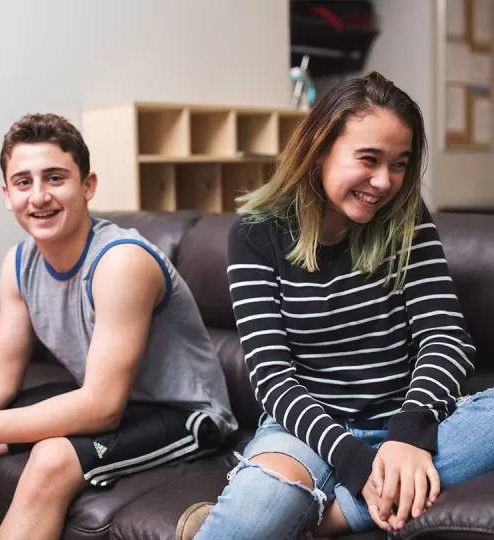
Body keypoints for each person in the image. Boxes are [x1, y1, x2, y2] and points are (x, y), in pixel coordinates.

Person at [0, 113, 237, 540]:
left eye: (55, 178)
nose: (38, 196)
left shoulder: (121, 261)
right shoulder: (18, 264)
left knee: (50, 458)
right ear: (6, 194)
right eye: (23, 182)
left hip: (185, 414)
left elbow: (102, 406)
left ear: (87, 186)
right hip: (108, 398)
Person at [180, 72, 494, 540]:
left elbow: (445, 338)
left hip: (406, 421)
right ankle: (316, 510)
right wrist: (352, 460)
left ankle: (324, 522)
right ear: (320, 148)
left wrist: (408, 436)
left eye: (400, 164)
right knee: (259, 506)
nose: (384, 181)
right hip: (304, 432)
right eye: (368, 159)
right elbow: (271, 376)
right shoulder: (255, 234)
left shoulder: (409, 222)